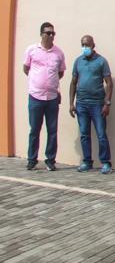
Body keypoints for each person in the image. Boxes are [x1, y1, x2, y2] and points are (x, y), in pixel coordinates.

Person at [24, 22, 65, 172]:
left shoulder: (58, 53)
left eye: (53, 33)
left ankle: (50, 160)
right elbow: (26, 68)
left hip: (52, 98)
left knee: (52, 130)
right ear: (41, 34)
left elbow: (60, 72)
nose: (51, 36)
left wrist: (50, 84)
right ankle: (32, 159)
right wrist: (38, 82)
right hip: (35, 96)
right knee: (34, 129)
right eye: (48, 33)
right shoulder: (32, 50)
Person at [69, 34, 112, 174]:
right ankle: (87, 161)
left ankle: (106, 162)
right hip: (81, 104)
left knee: (101, 134)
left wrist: (107, 103)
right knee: (84, 134)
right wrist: (71, 103)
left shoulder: (101, 61)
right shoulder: (78, 61)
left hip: (97, 104)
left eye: (87, 45)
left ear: (93, 45)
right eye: (83, 45)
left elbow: (109, 84)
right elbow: (73, 82)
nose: (85, 47)